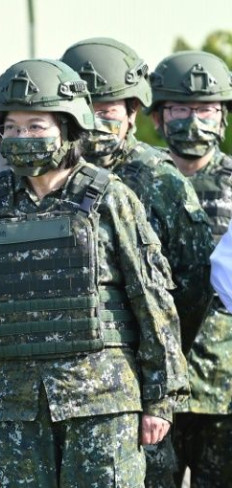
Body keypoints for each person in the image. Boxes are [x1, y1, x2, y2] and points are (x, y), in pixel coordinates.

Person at [0, 58, 189, 487]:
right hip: (11, 411)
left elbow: (152, 301)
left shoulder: (111, 199)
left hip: (101, 407)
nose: (22, 137)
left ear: (69, 127)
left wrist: (160, 399)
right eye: (11, 127)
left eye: (36, 126)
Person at [61, 38, 214, 488]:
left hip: (135, 383)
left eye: (110, 106)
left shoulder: (159, 180)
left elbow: (193, 287)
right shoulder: (40, 180)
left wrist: (152, 353)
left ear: (133, 112)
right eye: (88, 105)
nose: (98, 118)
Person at [149, 50, 232, 487]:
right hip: (153, 389)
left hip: (225, 388)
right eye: (179, 109)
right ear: (158, 117)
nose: (192, 121)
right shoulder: (136, 184)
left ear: (223, 118)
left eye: (205, 109)